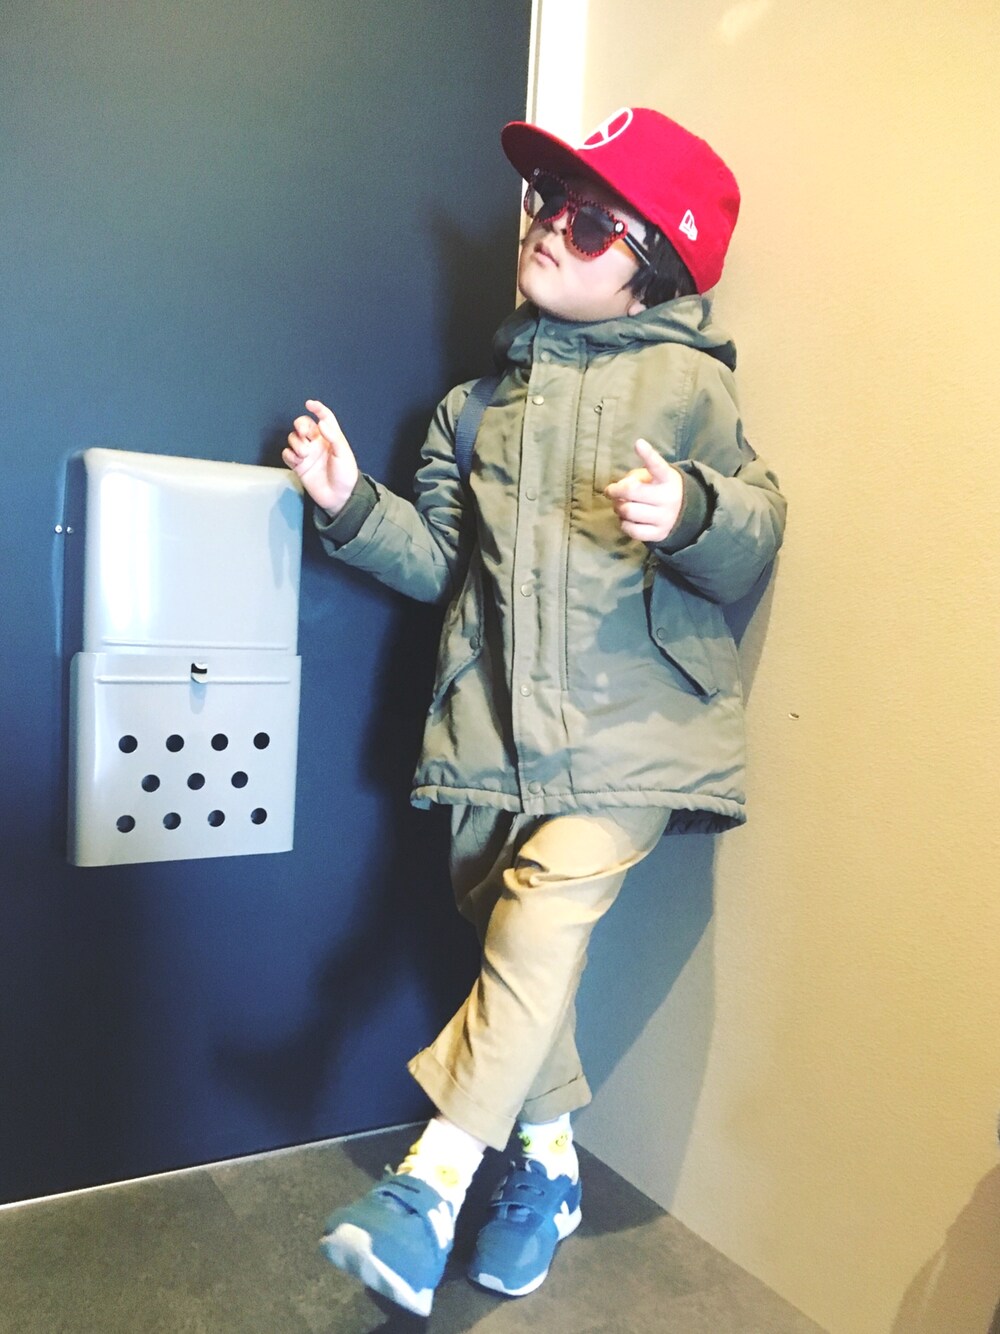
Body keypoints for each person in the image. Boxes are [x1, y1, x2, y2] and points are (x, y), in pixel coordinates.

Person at [283, 106, 786, 1317]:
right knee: (519, 947)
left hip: (630, 739)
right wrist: (351, 504)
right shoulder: (473, 407)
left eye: (591, 220)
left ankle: (432, 1179)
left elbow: (759, 522)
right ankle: (548, 1163)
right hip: (489, 741)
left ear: (650, 265)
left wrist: (693, 509)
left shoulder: (688, 384)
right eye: (546, 202)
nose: (551, 225)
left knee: (543, 912)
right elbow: (441, 561)